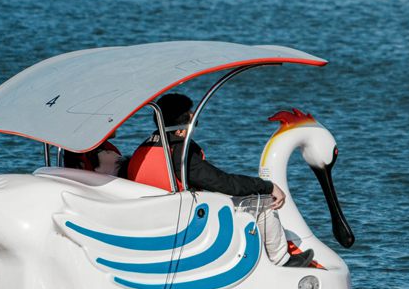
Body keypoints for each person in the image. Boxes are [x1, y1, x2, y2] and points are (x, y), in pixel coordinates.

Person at [128, 93, 315, 268]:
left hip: (153, 215)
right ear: (180, 131)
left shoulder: (145, 146)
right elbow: (223, 183)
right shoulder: (181, 153)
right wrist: (268, 186)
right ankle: (282, 262)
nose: (194, 117)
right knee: (264, 204)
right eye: (191, 116)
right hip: (179, 218)